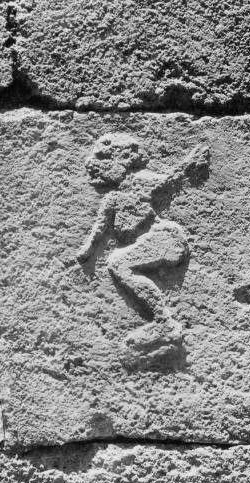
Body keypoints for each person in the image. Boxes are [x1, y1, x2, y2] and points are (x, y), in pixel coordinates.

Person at [77, 134, 209, 366]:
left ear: (124, 160)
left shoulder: (140, 182)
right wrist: (87, 250)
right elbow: (99, 229)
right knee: (118, 263)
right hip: (151, 244)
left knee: (118, 263)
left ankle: (164, 322)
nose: (96, 167)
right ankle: (162, 323)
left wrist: (191, 161)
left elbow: (171, 178)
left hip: (165, 239)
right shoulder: (111, 200)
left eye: (104, 160)